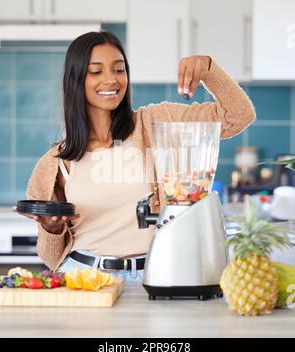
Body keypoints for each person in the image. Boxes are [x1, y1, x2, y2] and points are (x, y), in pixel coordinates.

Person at [13, 30, 255, 280]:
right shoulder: (55, 163)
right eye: (96, 71)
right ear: (76, 79)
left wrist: (208, 68)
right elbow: (50, 258)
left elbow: (238, 116)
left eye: (119, 70)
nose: (111, 80)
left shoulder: (156, 122)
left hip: (158, 272)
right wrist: (51, 229)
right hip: (84, 276)